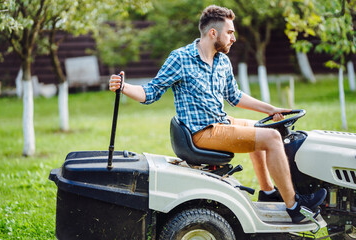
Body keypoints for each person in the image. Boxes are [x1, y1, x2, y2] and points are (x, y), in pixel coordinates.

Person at [109, 5, 326, 223]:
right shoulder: (181, 58)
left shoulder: (222, 61)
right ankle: (295, 206)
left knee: (263, 129)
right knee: (272, 138)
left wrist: (271, 109)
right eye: (230, 32)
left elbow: (235, 96)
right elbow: (151, 92)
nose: (233, 38)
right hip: (202, 133)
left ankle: (268, 192)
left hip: (220, 123)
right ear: (213, 33)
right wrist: (124, 87)